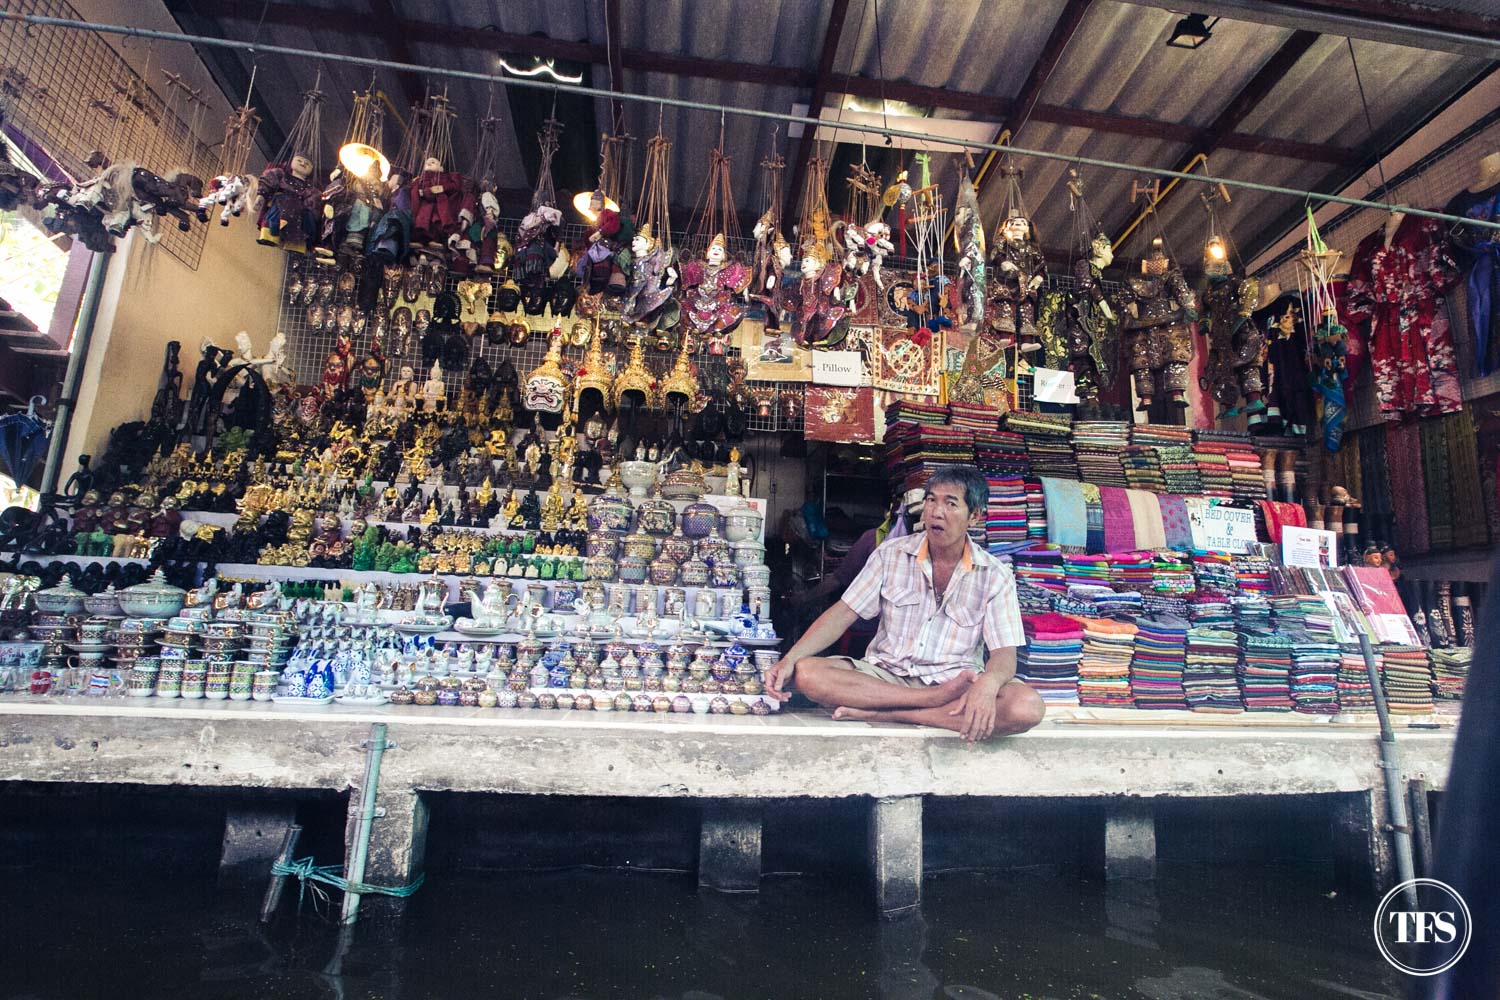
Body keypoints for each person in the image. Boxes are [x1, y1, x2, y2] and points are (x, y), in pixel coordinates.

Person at [764, 466, 1044, 741]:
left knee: (1025, 707)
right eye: (931, 500)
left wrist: (988, 684)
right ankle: (929, 703)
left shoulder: (994, 575)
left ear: (975, 516)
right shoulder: (891, 554)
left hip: (955, 682)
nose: (936, 512)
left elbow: (1005, 655)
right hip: (886, 678)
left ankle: (891, 714)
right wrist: (789, 659)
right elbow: (843, 613)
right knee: (808, 673)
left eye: (950, 503)